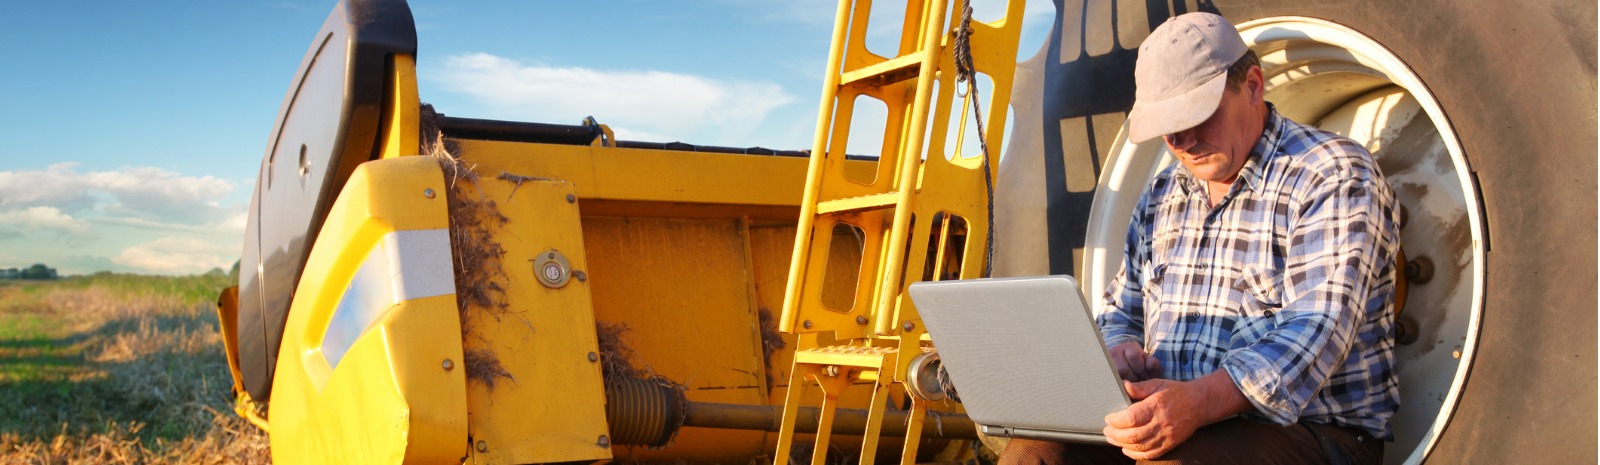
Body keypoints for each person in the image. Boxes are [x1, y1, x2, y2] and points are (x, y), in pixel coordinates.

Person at [998, 12, 1402, 465]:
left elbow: (1316, 331)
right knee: (1033, 455)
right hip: (1182, 420)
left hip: (1315, 433)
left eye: (1197, 115)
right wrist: (1119, 352)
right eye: (1168, 128)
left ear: (1252, 86)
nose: (1184, 140)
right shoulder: (1161, 195)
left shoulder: (1331, 174)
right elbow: (1121, 310)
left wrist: (1198, 403)